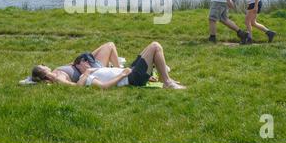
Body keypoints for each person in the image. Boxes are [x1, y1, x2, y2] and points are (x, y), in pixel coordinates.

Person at [32, 42, 186, 90]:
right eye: (43, 66)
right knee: (155, 46)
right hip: (128, 76)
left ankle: (167, 77)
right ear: (45, 74)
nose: (45, 65)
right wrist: (86, 72)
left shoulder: (53, 73)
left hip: (124, 72)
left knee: (148, 50)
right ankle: (167, 83)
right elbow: (76, 87)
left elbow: (29, 78)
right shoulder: (56, 76)